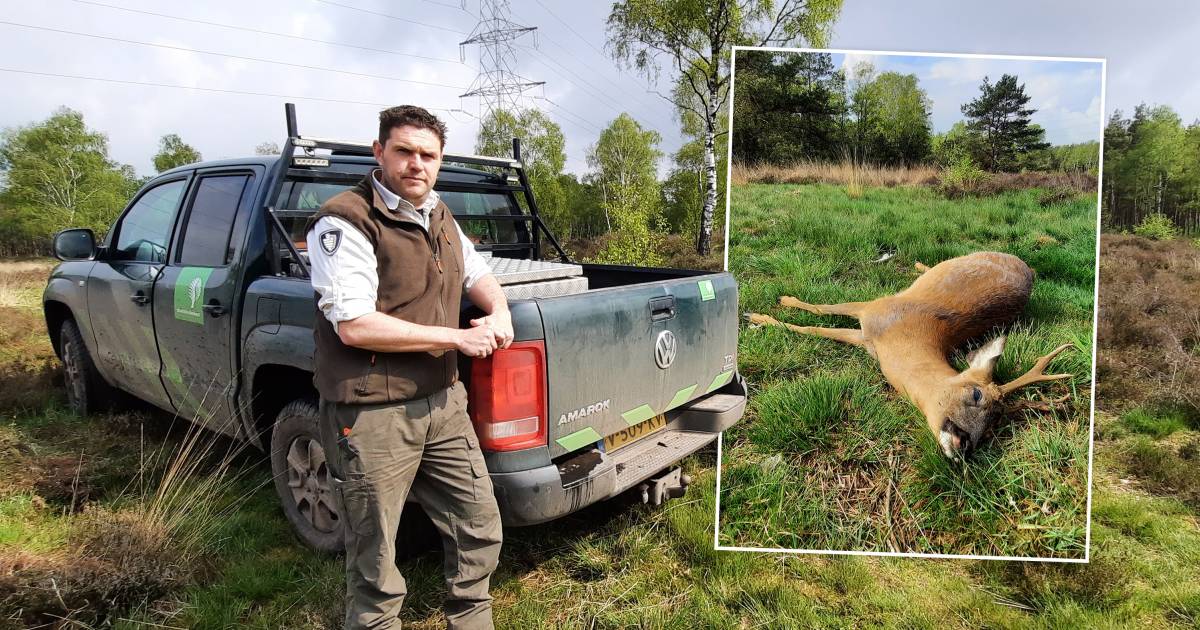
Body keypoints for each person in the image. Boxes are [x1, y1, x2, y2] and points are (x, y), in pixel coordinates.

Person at [305, 105, 510, 630]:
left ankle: (470, 619)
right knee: (374, 554)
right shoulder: (345, 219)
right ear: (379, 152)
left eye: (428, 155)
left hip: (443, 405)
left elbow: (475, 272)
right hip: (371, 414)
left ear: (439, 162)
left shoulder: (439, 213)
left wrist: (499, 308)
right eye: (405, 151)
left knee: (478, 525)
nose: (417, 164)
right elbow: (354, 324)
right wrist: (458, 338)